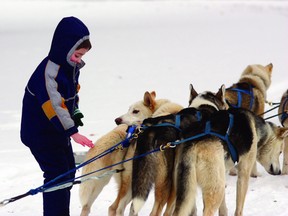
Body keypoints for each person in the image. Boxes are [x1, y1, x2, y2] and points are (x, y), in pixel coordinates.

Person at [20, 16, 94, 216]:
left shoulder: (70, 68)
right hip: (40, 134)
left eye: (81, 56)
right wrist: (73, 132)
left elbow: (71, 95)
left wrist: (75, 112)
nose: (79, 60)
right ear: (64, 48)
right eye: (76, 55)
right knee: (57, 176)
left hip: (56, 131)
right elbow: (54, 106)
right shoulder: (48, 74)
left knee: (68, 172)